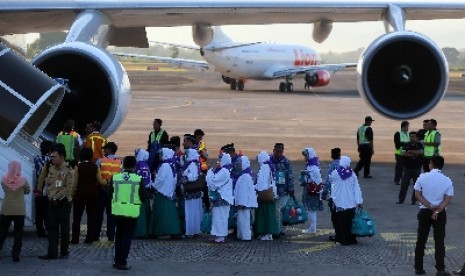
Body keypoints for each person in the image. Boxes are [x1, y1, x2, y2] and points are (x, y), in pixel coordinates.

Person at [413, 156, 453, 276]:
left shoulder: (423, 177)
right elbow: (448, 198)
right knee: (439, 241)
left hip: (425, 211)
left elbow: (417, 194)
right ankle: (440, 269)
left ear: (431, 164)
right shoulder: (447, 180)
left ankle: (418, 267)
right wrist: (438, 210)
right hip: (440, 213)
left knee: (421, 240)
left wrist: (430, 206)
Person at [110, 156, 148, 270]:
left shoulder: (115, 177)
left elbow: (109, 194)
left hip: (118, 210)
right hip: (131, 211)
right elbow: (143, 195)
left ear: (123, 165)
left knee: (119, 235)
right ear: (134, 166)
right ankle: (122, 261)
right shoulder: (138, 179)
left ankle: (117, 260)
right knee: (127, 237)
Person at [39, 145, 75, 259]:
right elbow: (49, 185)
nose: (52, 159)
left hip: (63, 202)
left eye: (54, 156)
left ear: (62, 157)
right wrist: (50, 197)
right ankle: (52, 252)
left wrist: (56, 198)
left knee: (64, 229)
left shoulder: (69, 170)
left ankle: (64, 251)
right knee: (52, 228)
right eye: (51, 156)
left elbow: (68, 188)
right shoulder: (51, 168)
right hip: (51, 202)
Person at [70, 147, 106, 244]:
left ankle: (75, 238)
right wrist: (107, 181)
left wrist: (72, 194)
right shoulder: (95, 167)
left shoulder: (78, 167)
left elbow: (74, 183)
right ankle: (89, 238)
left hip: (80, 194)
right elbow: (100, 181)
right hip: (92, 194)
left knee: (77, 218)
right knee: (92, 217)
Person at [0, 161, 30, 262]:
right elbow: (27, 190)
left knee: (2, 231)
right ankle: (15, 255)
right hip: (19, 210)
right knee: (18, 233)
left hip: (6, 209)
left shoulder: (4, 179)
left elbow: (4, 189)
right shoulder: (23, 180)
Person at [330, 156, 363, 245]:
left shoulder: (335, 173)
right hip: (350, 202)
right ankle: (349, 238)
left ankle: (340, 239)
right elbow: (356, 188)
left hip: (339, 202)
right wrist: (359, 201)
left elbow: (331, 182)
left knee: (339, 222)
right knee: (349, 222)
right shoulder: (352, 174)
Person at [150, 148, 182, 238]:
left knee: (161, 213)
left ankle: (159, 231)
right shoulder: (172, 165)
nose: (159, 157)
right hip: (169, 192)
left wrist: (154, 183)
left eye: (161, 155)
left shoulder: (164, 165)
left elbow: (160, 179)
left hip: (162, 192)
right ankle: (173, 231)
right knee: (170, 214)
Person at [95, 142, 121, 242]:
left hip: (101, 189)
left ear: (109, 150)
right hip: (113, 190)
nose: (103, 151)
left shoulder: (100, 161)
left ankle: (96, 235)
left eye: (105, 149)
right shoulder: (119, 162)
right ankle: (111, 236)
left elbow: (96, 174)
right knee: (111, 215)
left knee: (99, 214)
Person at [206, 152, 234, 243]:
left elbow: (213, 182)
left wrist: (209, 172)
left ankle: (220, 237)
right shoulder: (226, 170)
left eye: (221, 159)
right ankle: (219, 236)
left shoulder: (224, 171)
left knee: (220, 217)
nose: (219, 161)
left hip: (222, 197)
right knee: (220, 217)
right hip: (223, 197)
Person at [253, 151, 279, 241]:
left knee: (264, 215)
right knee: (270, 215)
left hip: (264, 196)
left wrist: (256, 190)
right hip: (271, 194)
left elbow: (261, 182)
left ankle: (266, 233)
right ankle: (269, 232)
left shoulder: (264, 168)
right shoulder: (270, 166)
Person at [269, 143, 294, 234]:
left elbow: (290, 176)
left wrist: (291, 189)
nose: (279, 153)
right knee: (276, 209)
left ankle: (281, 228)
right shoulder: (269, 161)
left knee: (282, 209)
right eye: (277, 151)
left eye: (281, 152)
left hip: (284, 190)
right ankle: (276, 228)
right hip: (272, 190)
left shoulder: (286, 162)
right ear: (274, 150)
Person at [300, 148, 324, 234]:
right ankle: (312, 227)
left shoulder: (313, 166)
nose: (305, 157)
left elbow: (316, 177)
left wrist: (306, 173)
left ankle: (312, 228)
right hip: (310, 189)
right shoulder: (311, 164)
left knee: (311, 209)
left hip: (312, 190)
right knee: (311, 209)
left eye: (306, 155)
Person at [234, 156, 258, 241]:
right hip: (243, 202)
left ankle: (246, 236)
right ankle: (241, 235)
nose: (237, 165)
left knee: (244, 220)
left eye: (239, 164)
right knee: (241, 220)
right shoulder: (244, 174)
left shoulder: (245, 176)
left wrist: (241, 203)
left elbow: (243, 192)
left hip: (244, 203)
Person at [33, 140, 54, 237]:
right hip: (47, 187)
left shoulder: (36, 158)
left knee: (38, 211)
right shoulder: (51, 160)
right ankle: (49, 229)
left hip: (38, 186)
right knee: (47, 211)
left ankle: (39, 229)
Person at [396, 131, 424, 205]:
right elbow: (403, 153)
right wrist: (414, 154)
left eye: (413, 137)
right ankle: (401, 199)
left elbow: (420, 152)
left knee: (416, 185)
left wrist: (410, 151)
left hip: (416, 168)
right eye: (411, 136)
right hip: (407, 168)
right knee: (404, 184)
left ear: (417, 137)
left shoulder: (419, 144)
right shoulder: (406, 144)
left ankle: (414, 200)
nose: (412, 138)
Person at [182, 148, 203, 237]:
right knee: (194, 211)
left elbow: (193, 177)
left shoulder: (192, 164)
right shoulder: (195, 164)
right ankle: (194, 230)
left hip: (190, 191)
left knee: (190, 211)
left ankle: (190, 231)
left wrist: (185, 178)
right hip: (195, 192)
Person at [133, 149, 152, 238]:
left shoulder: (139, 165)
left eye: (137, 154)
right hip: (146, 190)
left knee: (140, 213)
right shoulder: (146, 164)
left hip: (139, 191)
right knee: (145, 212)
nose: (135, 156)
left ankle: (139, 231)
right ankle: (146, 230)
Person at [394, 121, 410, 185]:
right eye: (407, 126)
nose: (408, 128)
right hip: (399, 153)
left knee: (406, 168)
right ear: (404, 126)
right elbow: (397, 143)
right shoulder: (398, 133)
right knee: (399, 168)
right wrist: (406, 144)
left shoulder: (408, 134)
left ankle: (404, 179)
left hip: (407, 154)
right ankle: (397, 180)